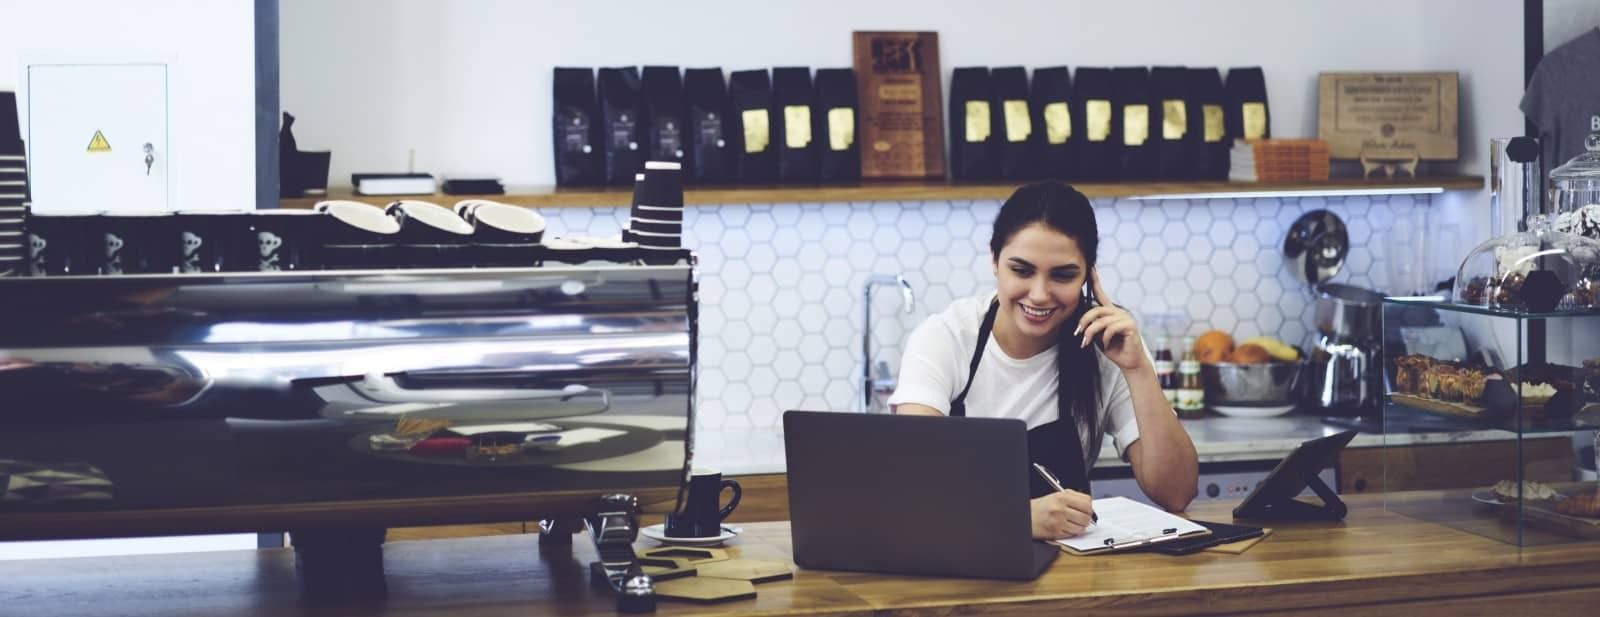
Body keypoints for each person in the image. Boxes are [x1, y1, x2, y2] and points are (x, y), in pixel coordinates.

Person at [889, 181, 1198, 540]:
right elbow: (911, 485)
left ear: (1088, 275)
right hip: (960, 558)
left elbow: (1176, 492)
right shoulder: (946, 338)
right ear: (994, 261)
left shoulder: (1108, 343)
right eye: (1021, 270)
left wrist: (1138, 370)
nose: (1039, 294)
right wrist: (1015, 517)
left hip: (1073, 574)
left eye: (1063, 275)